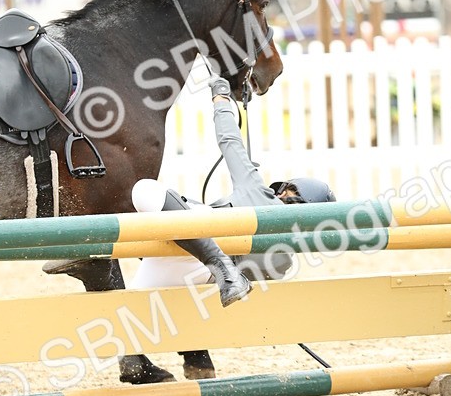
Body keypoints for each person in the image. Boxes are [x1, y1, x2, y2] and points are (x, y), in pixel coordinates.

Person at [130, 76, 335, 291]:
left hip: (191, 258)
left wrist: (220, 96)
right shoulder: (284, 264)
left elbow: (230, 140)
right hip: (201, 279)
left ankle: (221, 265)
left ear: (286, 191)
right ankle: (224, 269)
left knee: (144, 189)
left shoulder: (258, 192)